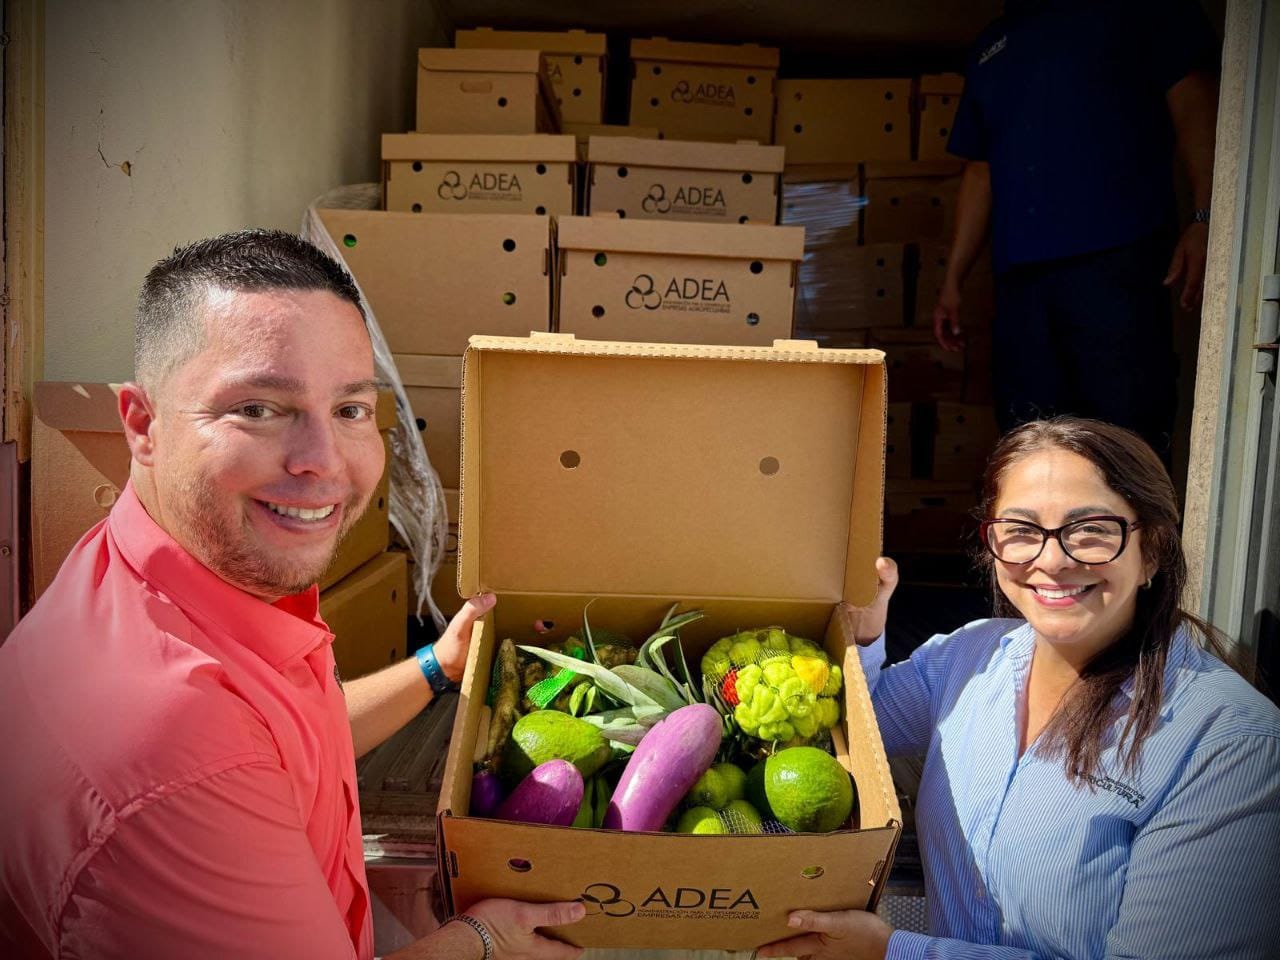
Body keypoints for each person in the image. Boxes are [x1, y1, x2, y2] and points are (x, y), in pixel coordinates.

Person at [0, 230, 583, 960]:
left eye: (349, 410)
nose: (323, 463)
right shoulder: (168, 751)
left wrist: (436, 666)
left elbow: (287, 740)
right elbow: (215, 758)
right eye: (258, 409)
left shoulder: (172, 574)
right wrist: (482, 942)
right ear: (142, 425)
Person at [759, 417, 1280, 959]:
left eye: (1092, 530)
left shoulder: (1230, 742)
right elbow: (851, 735)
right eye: (1023, 531)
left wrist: (894, 953)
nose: (1052, 560)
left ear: (1150, 550)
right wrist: (859, 632)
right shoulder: (969, 656)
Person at [932, 1, 1220, 460]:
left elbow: (1195, 104)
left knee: (1126, 436)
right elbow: (979, 171)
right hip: (1021, 280)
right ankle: (1045, 533)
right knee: (1029, 439)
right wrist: (953, 280)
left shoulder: (1145, 11)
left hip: (1117, 263)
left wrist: (1207, 219)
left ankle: (1134, 534)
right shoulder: (993, 44)